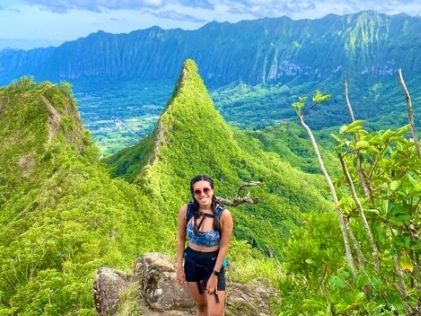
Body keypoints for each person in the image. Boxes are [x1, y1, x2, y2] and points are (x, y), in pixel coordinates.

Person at [176, 175, 233, 316]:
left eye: (206, 189)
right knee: (201, 306)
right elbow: (181, 239)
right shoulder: (186, 211)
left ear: (212, 190)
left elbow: (224, 246)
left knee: (215, 314)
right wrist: (178, 266)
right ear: (193, 194)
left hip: (212, 264)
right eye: (197, 191)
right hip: (191, 262)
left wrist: (214, 275)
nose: (202, 194)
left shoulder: (223, 215)